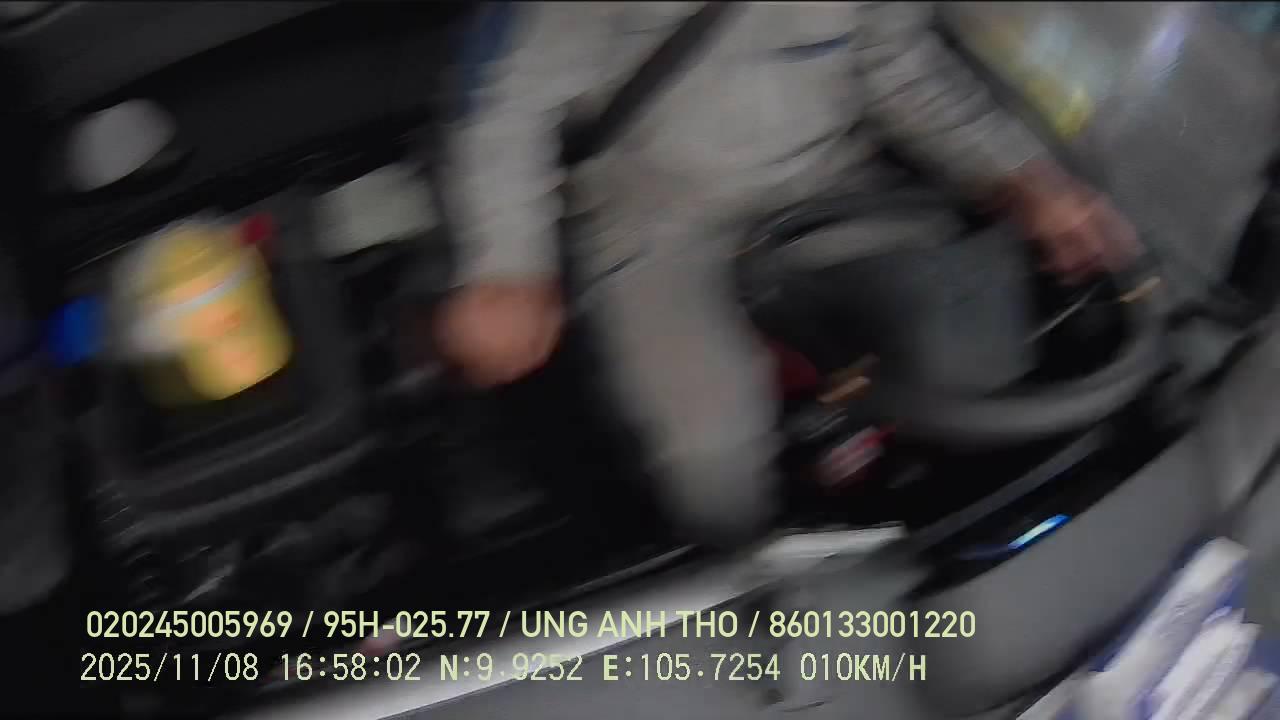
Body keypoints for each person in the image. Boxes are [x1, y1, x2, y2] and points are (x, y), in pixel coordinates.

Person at [431, 1, 1138, 548]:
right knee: (709, 447)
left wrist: (1021, 178)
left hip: (828, 179)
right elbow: (505, 111)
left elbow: (901, 68)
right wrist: (509, 268)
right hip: (650, 214)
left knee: (971, 350)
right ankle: (769, 610)